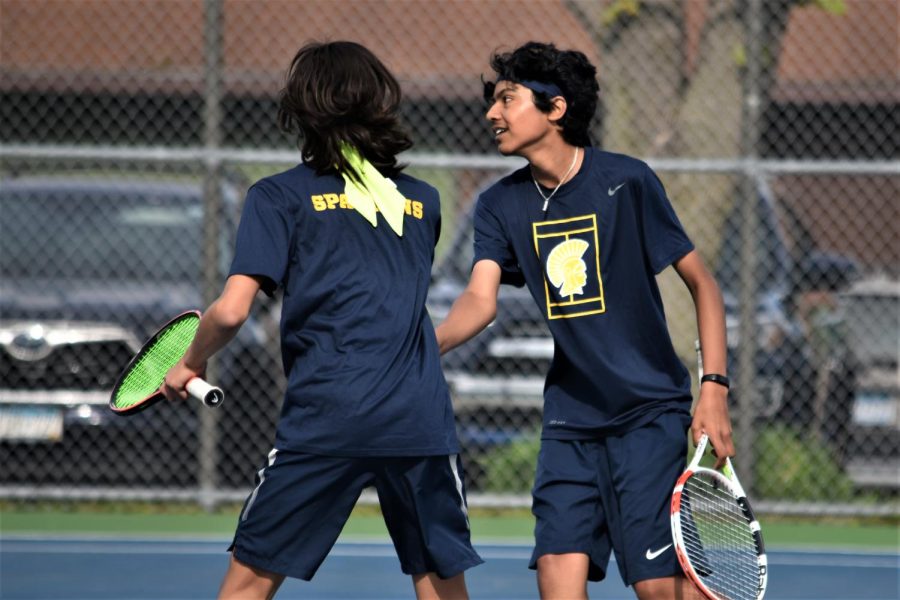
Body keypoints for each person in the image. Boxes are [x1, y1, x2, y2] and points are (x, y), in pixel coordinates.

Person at [162, 40, 482, 600]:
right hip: (418, 418)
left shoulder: (276, 197)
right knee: (441, 586)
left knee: (246, 587)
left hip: (328, 413)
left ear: (300, 109)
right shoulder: (425, 202)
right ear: (378, 101)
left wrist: (187, 360)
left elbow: (234, 310)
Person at [434, 41, 734, 600]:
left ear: (556, 108)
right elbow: (479, 300)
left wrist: (712, 388)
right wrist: (419, 345)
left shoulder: (627, 181)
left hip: (648, 415)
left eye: (506, 99)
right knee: (557, 576)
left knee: (656, 588)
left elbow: (704, 285)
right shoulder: (499, 204)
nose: (490, 115)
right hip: (570, 423)